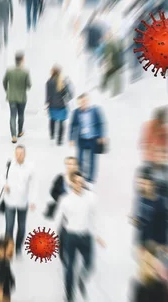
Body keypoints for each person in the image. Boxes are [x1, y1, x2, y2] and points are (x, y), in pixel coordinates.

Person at [53, 171, 106, 302]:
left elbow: (95, 217)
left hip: (86, 236)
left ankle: (82, 278)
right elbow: (58, 219)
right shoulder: (65, 200)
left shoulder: (91, 198)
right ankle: (69, 295)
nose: (79, 185)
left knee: (89, 264)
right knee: (69, 267)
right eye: (76, 182)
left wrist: (98, 235)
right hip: (70, 236)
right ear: (72, 183)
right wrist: (54, 236)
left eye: (81, 182)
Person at [3, 145, 36, 257]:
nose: (18, 156)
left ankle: (18, 248)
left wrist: (32, 201)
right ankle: (9, 248)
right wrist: (5, 185)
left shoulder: (30, 167)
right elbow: (1, 177)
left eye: (21, 154)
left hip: (23, 202)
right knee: (9, 227)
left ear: (25, 154)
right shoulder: (9, 164)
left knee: (21, 227)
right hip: (10, 201)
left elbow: (33, 185)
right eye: (16, 154)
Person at [131, 167, 168, 254]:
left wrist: (163, 247)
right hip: (144, 247)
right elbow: (142, 224)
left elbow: (164, 227)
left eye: (144, 183)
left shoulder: (160, 203)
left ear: (152, 184)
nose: (141, 186)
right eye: (139, 183)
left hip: (156, 248)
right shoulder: (142, 199)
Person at [69, 93, 106, 183]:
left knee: (92, 160)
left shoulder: (95, 110)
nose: (83, 104)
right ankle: (80, 178)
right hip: (81, 140)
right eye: (81, 103)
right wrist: (71, 138)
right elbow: (72, 126)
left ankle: (91, 180)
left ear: (88, 101)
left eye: (85, 101)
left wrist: (102, 136)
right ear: (79, 103)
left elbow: (100, 123)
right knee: (79, 160)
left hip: (93, 139)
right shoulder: (76, 112)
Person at [3, 52, 32, 143]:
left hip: (11, 97)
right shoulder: (25, 71)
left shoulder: (9, 70)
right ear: (22, 60)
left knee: (12, 115)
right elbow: (29, 85)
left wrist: (8, 91)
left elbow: (4, 82)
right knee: (21, 114)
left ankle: (13, 136)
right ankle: (20, 132)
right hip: (22, 97)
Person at [45, 65, 73, 145]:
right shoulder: (63, 81)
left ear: (52, 72)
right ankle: (59, 140)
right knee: (61, 122)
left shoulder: (49, 81)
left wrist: (47, 104)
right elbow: (68, 94)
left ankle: (52, 135)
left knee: (52, 120)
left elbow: (48, 95)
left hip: (52, 105)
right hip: (62, 105)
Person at [99, 29, 124, 96]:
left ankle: (105, 89)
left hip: (112, 63)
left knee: (106, 76)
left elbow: (108, 56)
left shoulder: (109, 44)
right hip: (118, 62)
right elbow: (121, 50)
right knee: (116, 77)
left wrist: (106, 64)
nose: (105, 37)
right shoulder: (116, 42)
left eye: (106, 36)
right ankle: (117, 91)